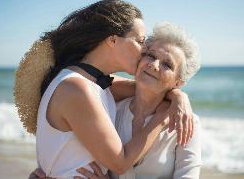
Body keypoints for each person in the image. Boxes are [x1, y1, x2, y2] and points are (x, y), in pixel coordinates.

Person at [15, 0, 195, 179]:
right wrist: (162, 118)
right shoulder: (77, 88)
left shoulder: (94, 82)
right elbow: (120, 163)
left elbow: (150, 88)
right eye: (140, 41)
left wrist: (178, 96)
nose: (143, 51)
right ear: (113, 40)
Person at [78, 22, 201, 179]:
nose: (154, 65)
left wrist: (179, 96)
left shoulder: (186, 123)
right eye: (151, 55)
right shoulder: (109, 109)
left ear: (178, 83)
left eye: (167, 65)